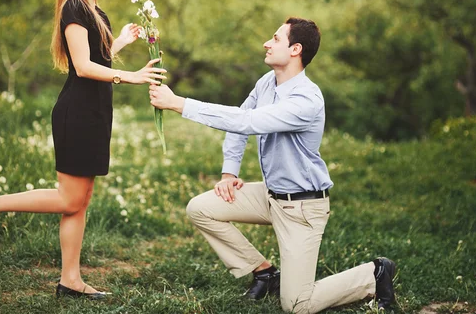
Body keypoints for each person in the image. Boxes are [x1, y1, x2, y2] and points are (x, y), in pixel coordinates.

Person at [0, 0, 167, 300]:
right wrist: (129, 76)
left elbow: (97, 59)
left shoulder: (99, 14)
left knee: (79, 200)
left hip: (95, 115)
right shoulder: (74, 8)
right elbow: (82, 67)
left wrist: (119, 46)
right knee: (69, 199)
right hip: (78, 113)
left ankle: (70, 281)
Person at [148, 17, 396, 313]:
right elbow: (238, 123)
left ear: (296, 49)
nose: (267, 43)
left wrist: (179, 104)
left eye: (276, 39)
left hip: (301, 209)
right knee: (200, 209)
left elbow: (247, 122)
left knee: (297, 306)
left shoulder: (306, 99)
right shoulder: (267, 83)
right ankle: (265, 272)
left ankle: (374, 274)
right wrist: (230, 172)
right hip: (271, 196)